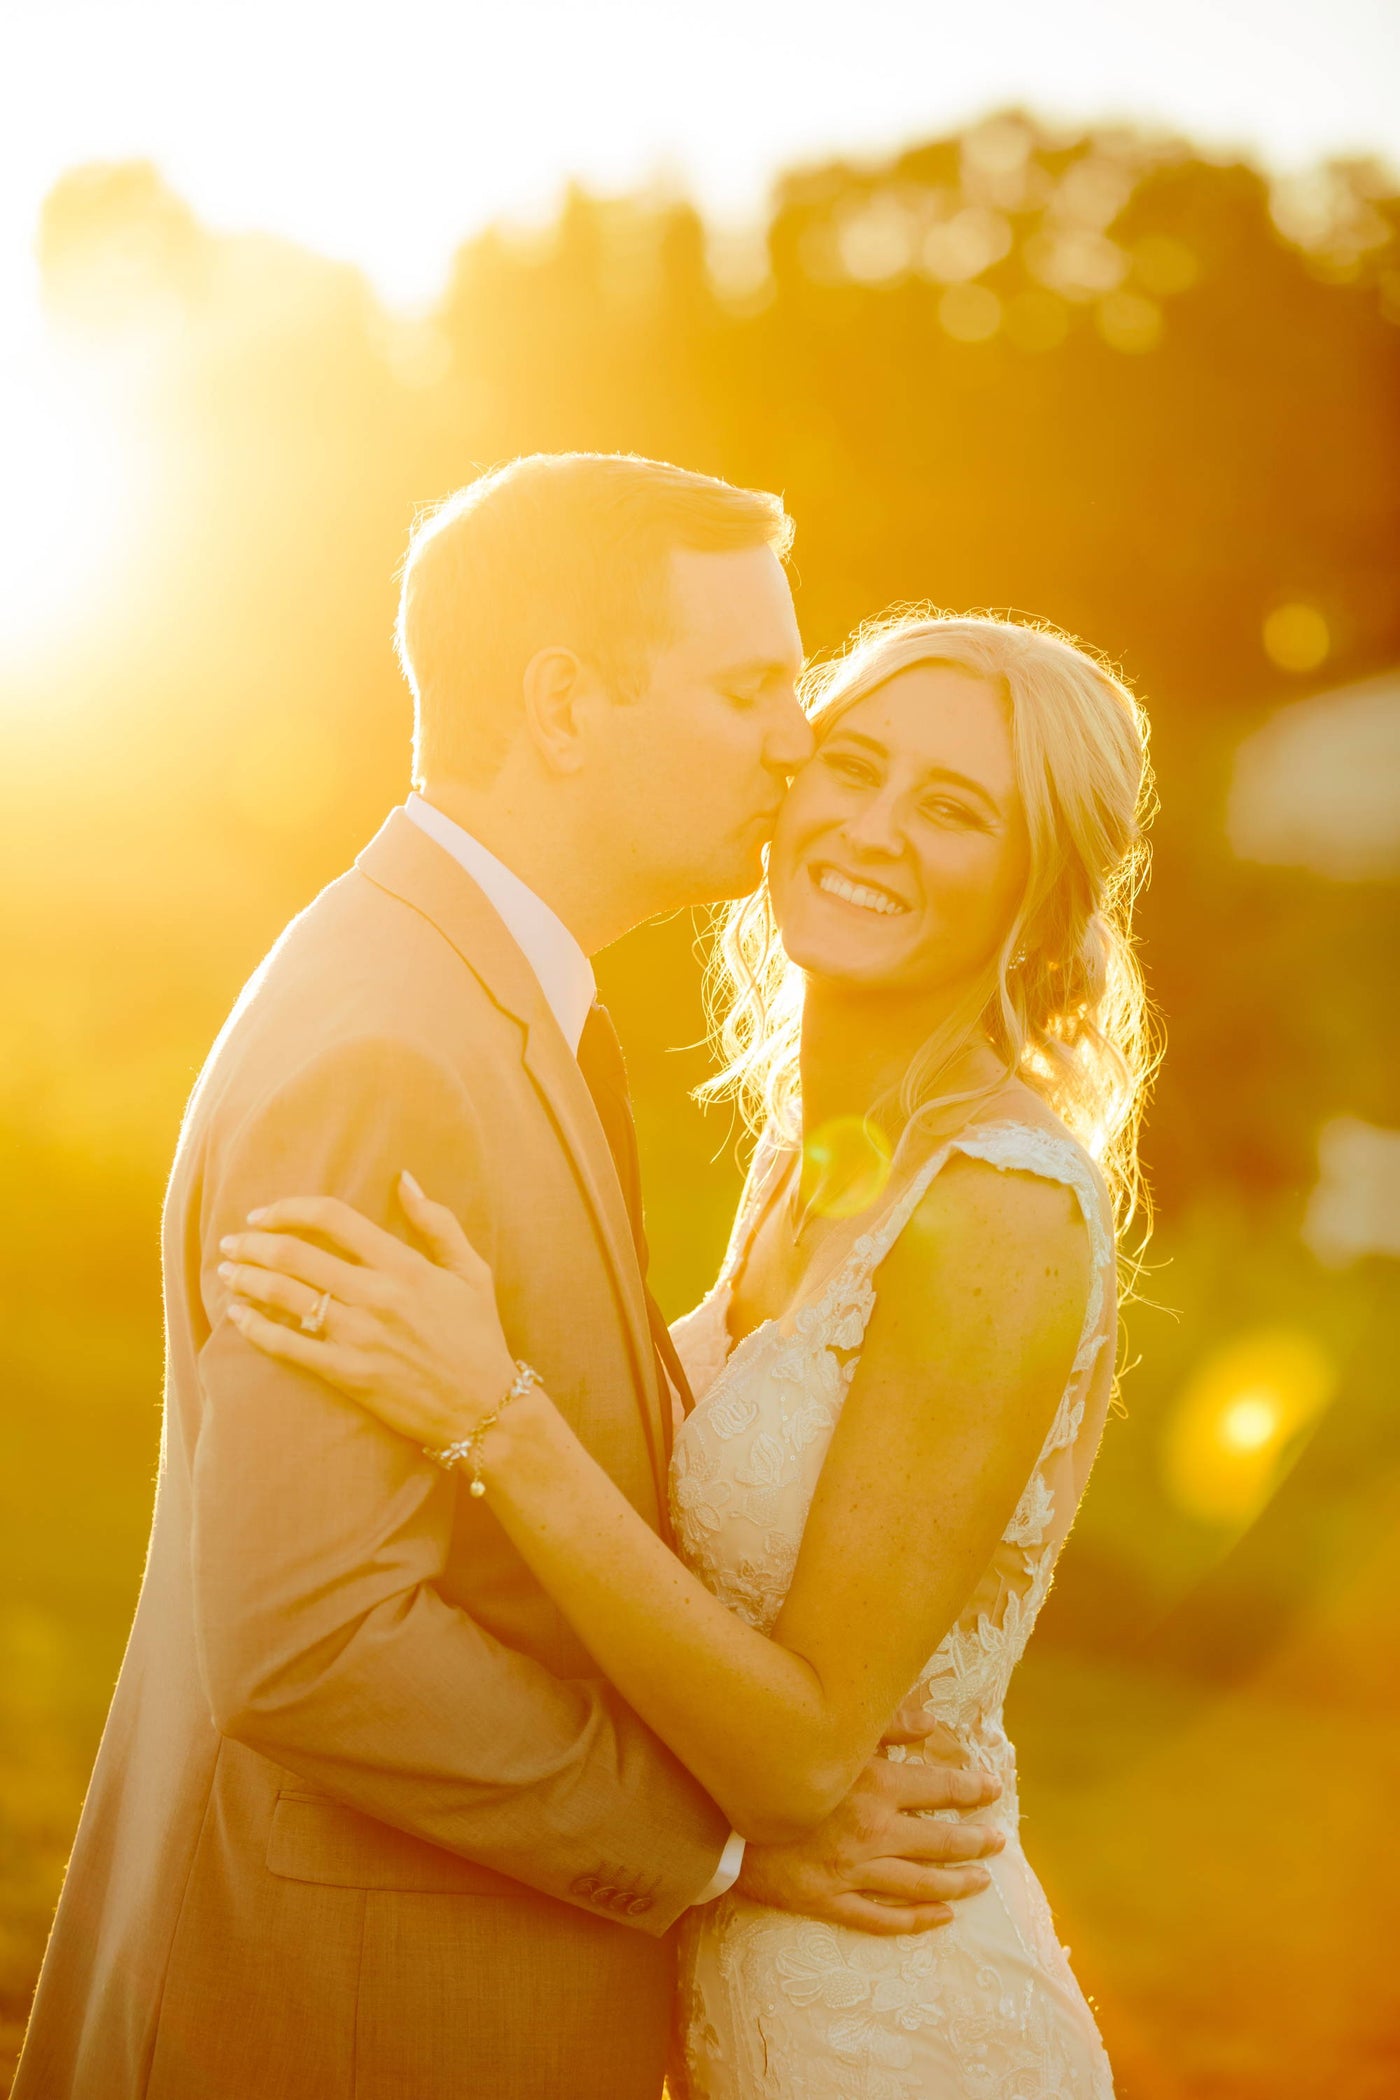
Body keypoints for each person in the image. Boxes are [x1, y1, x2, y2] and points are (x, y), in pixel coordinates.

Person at [13, 460, 1005, 2100]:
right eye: (754, 684)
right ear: (563, 704)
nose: (795, 741)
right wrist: (716, 1849)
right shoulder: (396, 1047)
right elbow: (318, 1635)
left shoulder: (469, 992)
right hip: (350, 2022)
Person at [223, 609, 1155, 2097]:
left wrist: (493, 1415)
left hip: (890, 2009)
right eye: (851, 766)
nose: (871, 827)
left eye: (954, 808)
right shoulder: (813, 1154)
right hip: (730, 1998)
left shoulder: (999, 1210)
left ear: (1037, 900)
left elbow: (803, 1758)